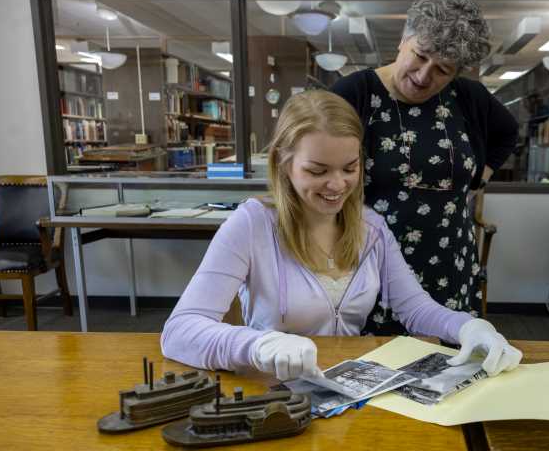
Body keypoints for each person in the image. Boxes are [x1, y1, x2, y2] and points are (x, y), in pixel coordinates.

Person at [161, 90, 522, 382]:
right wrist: (258, 344)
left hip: (344, 388)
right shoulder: (251, 225)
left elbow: (415, 308)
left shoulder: (372, 229)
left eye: (350, 168)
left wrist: (469, 326)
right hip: (268, 393)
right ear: (283, 164)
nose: (337, 185)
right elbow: (179, 331)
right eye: (317, 170)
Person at [331, 0, 518, 335]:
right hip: (371, 264)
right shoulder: (354, 94)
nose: (423, 76)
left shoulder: (468, 96)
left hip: (450, 261)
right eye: (419, 56)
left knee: (447, 363)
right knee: (376, 367)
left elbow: (508, 132)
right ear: (405, 38)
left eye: (443, 70)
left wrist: (480, 177)